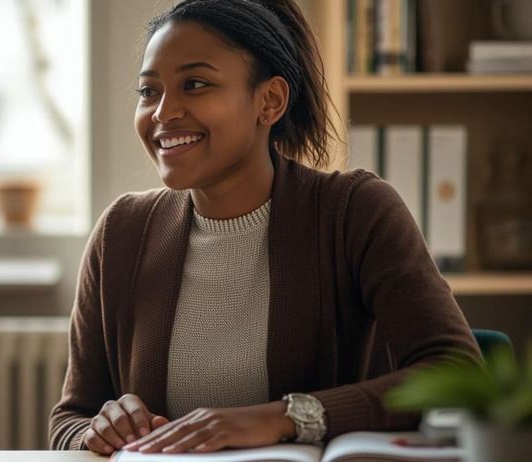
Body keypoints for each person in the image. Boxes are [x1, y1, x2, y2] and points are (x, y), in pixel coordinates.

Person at [49, 0, 479, 455]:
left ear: (269, 101)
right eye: (148, 92)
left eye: (194, 85)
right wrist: (97, 430)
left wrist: (283, 417)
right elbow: (68, 419)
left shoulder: (355, 212)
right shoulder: (122, 232)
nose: (162, 112)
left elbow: (456, 373)